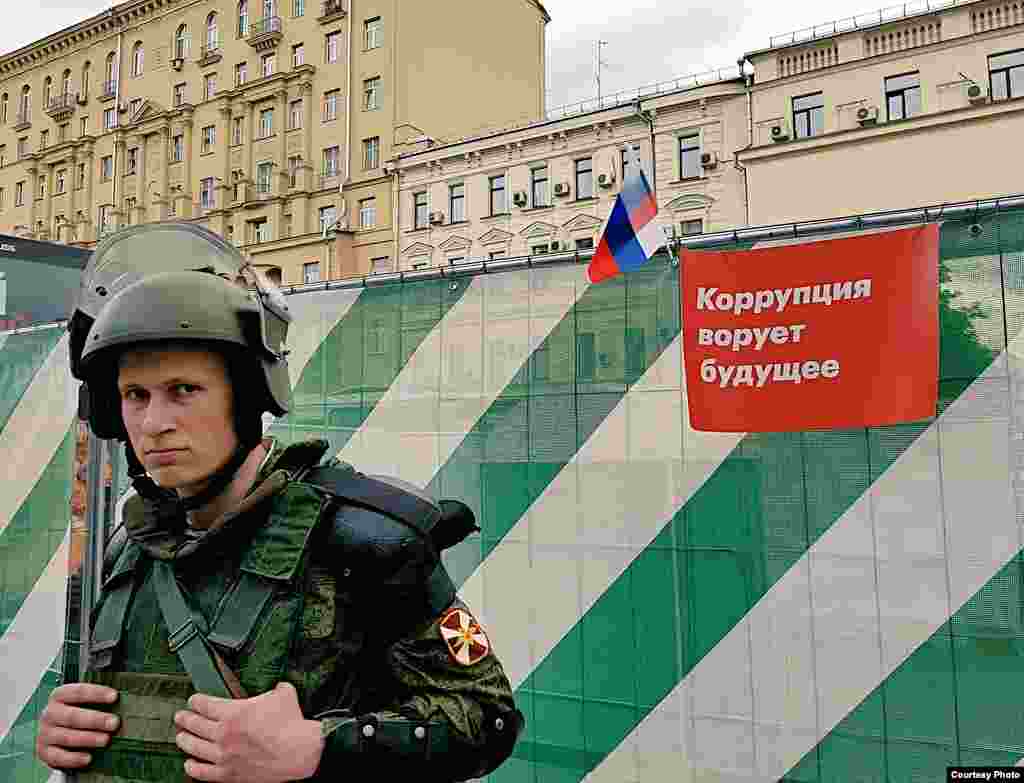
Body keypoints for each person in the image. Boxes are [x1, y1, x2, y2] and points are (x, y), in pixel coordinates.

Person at [36, 223, 523, 782]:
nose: (154, 423)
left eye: (184, 391)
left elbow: (489, 719)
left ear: (247, 398)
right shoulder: (131, 547)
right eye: (135, 396)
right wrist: (70, 730)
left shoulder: (362, 541)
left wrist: (322, 746)